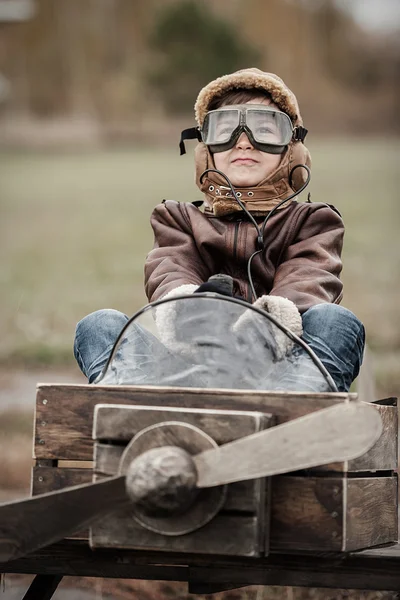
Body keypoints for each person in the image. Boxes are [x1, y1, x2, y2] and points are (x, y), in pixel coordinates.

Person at [74, 68, 365, 392]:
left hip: (280, 370)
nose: (243, 142)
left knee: (336, 322)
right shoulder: (176, 219)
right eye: (225, 130)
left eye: (264, 130)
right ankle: (140, 405)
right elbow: (171, 272)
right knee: (99, 324)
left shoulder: (312, 222)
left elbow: (306, 284)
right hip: (186, 369)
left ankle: (292, 412)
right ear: (205, 149)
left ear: (292, 149)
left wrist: (256, 329)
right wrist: (196, 310)